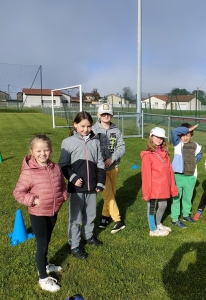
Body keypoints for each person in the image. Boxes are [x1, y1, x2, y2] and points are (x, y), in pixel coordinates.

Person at [13, 134, 68, 293]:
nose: (42, 154)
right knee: (42, 245)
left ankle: (44, 265)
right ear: (31, 151)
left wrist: (64, 195)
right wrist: (32, 200)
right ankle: (43, 278)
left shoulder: (56, 167)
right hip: (38, 213)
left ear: (51, 150)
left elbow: (62, 185)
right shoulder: (29, 172)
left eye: (46, 150)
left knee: (47, 240)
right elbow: (18, 193)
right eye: (38, 151)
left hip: (53, 211)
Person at [58, 111, 106, 259]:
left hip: (92, 186)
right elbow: (63, 164)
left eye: (89, 126)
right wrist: (73, 178)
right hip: (76, 188)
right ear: (75, 125)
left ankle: (89, 236)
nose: (86, 129)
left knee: (90, 214)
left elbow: (100, 164)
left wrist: (99, 182)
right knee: (75, 217)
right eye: (82, 126)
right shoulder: (68, 142)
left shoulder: (95, 142)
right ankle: (74, 245)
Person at [92, 103, 126, 234]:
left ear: (112, 115)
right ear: (98, 115)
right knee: (108, 194)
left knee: (112, 193)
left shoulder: (116, 131)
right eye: (103, 114)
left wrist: (112, 158)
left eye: (108, 114)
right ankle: (118, 220)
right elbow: (90, 148)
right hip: (99, 169)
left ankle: (105, 217)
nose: (106, 116)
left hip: (113, 166)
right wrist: (99, 163)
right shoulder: (93, 130)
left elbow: (122, 147)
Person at [140, 127, 178, 236]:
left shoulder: (165, 154)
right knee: (151, 208)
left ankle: (158, 223)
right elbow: (146, 175)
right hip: (153, 187)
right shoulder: (148, 155)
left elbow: (170, 171)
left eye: (161, 137)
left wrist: (172, 186)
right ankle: (153, 230)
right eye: (157, 136)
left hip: (163, 186)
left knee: (163, 205)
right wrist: (147, 191)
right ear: (151, 137)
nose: (159, 139)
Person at [171, 123, 202, 228]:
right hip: (178, 176)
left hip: (191, 177)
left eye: (188, 135)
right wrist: (187, 129)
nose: (185, 137)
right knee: (176, 198)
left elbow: (199, 154)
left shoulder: (195, 145)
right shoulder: (177, 144)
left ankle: (186, 215)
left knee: (187, 198)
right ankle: (175, 218)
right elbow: (174, 131)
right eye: (183, 135)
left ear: (191, 136)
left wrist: (196, 159)